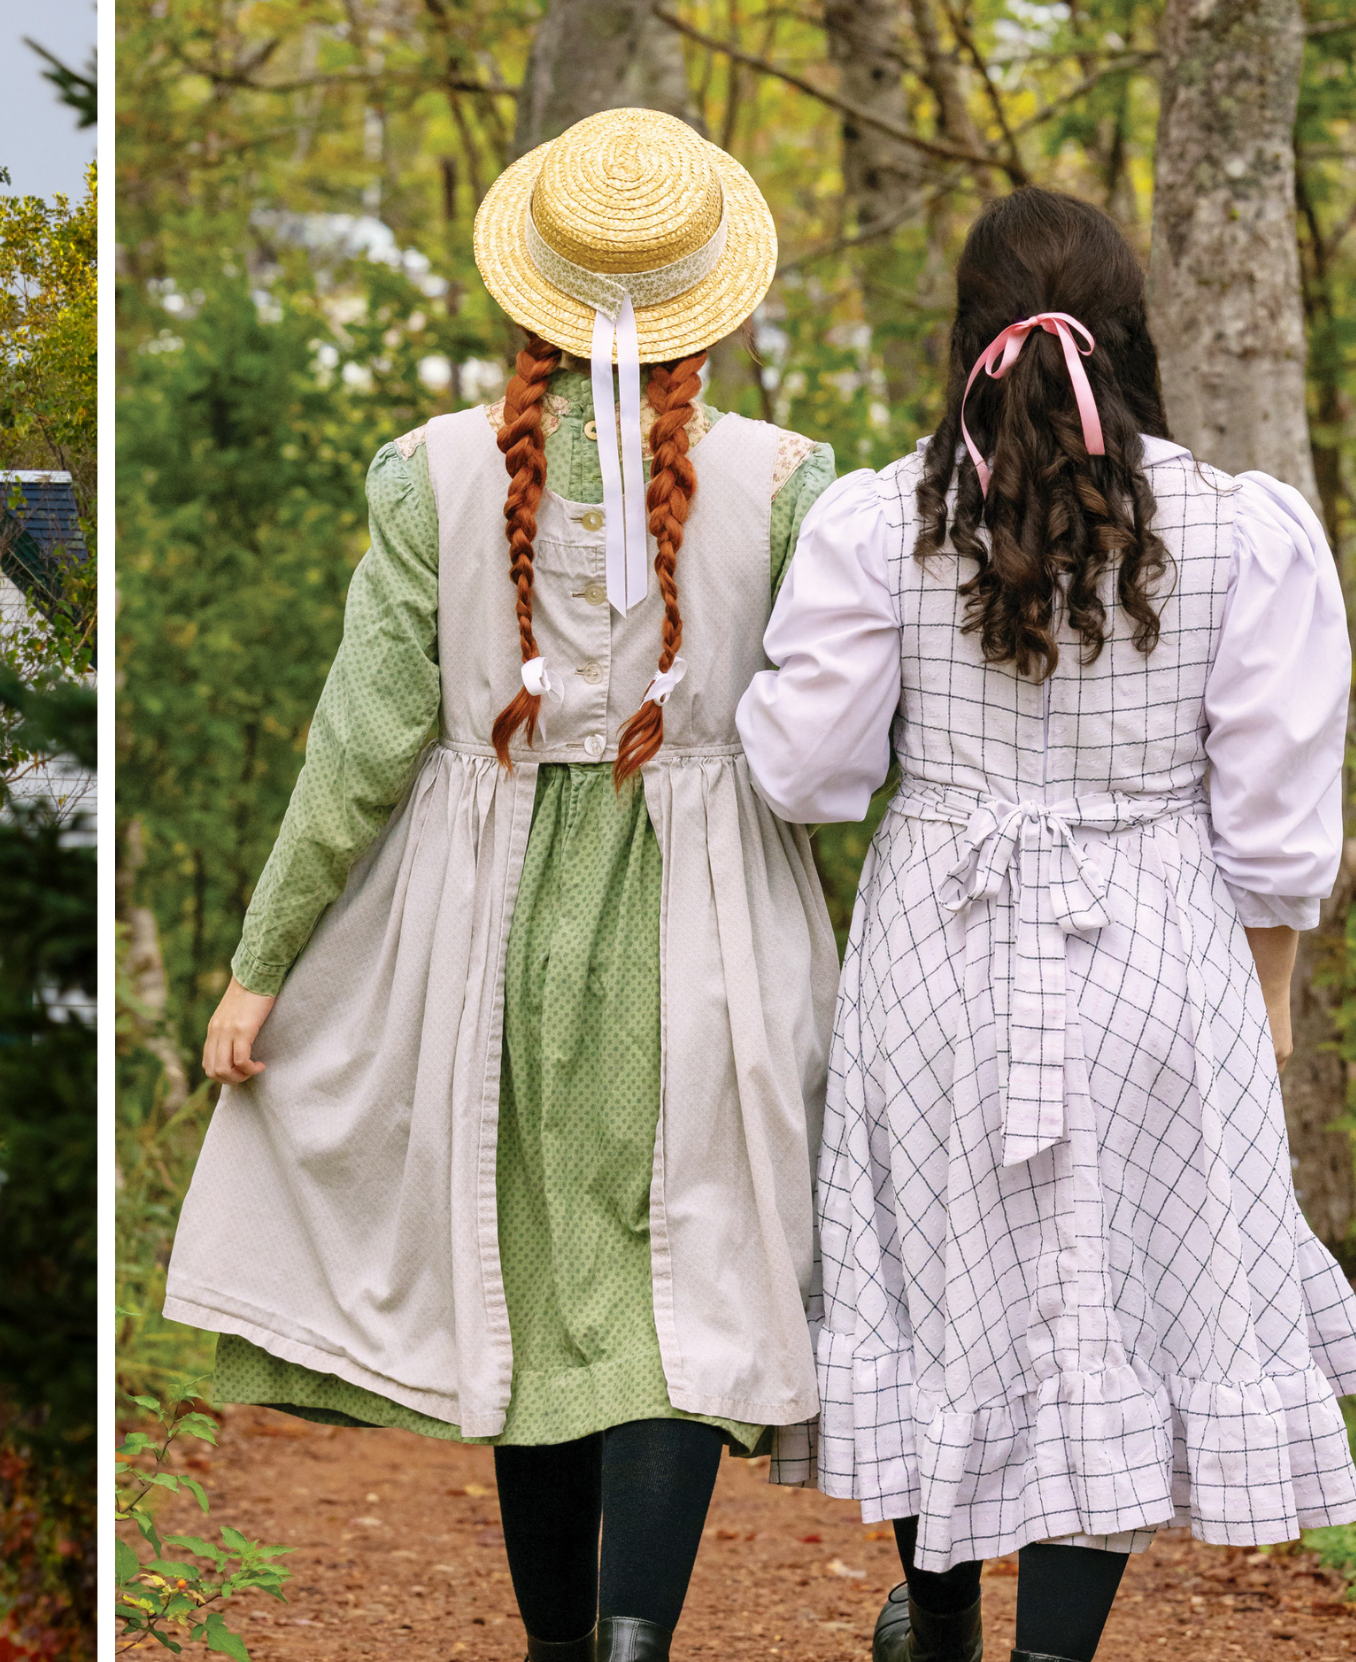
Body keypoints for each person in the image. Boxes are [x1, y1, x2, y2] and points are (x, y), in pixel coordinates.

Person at [163, 109, 841, 1662]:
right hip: (713, 929)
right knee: (686, 1288)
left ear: (522, 293)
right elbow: (836, 743)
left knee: (536, 1294)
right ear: (712, 303)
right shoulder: (795, 489)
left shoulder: (435, 477)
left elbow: (361, 745)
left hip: (493, 940)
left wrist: (262, 962)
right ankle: (630, 1645)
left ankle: (554, 1651)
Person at [736, 186, 1356, 1662]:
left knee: (938, 1286)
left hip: (936, 950)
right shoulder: (1235, 526)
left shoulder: (877, 520)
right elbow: (1276, 809)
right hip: (1157, 950)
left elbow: (807, 771)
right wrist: (1265, 994)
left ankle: (937, 1620)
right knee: (1114, 1304)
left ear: (965, 343)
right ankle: (1052, 1652)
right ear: (1132, 342)